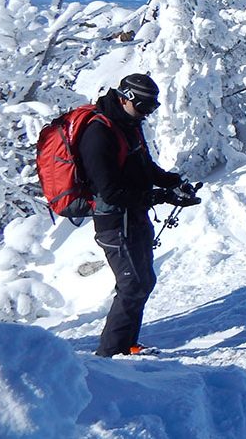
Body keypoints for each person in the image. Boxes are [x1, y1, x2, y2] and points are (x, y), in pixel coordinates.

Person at [78, 73, 200, 357]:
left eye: (152, 108)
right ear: (124, 98)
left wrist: (173, 182)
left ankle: (127, 347)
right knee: (132, 284)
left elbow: (144, 166)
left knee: (143, 281)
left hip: (134, 216)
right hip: (114, 221)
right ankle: (109, 355)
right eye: (144, 107)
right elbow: (110, 191)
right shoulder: (99, 133)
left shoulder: (128, 124)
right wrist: (161, 196)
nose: (147, 114)